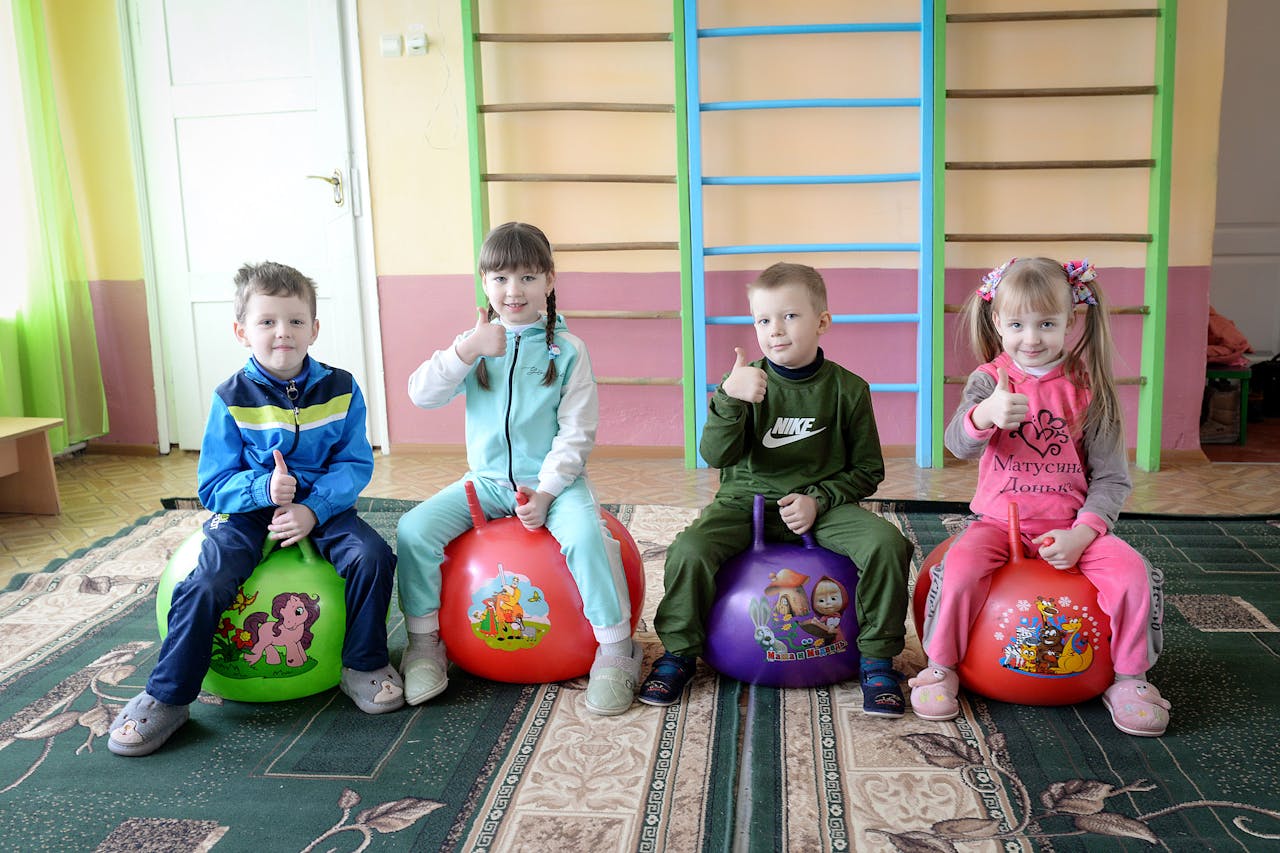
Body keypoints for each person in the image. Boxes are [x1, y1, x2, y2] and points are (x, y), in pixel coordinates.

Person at [108, 261, 403, 757]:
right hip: (247, 513)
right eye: (267, 322)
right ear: (242, 331)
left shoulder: (343, 388)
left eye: (294, 320)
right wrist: (264, 489)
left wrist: (313, 508)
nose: (282, 332)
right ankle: (168, 696)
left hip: (322, 509)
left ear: (314, 327)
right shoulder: (230, 397)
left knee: (373, 556)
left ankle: (365, 664)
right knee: (206, 581)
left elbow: (354, 464)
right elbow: (213, 484)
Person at [638, 262, 914, 716]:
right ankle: (678, 654)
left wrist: (819, 499)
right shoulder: (745, 384)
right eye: (763, 320)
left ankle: (878, 659)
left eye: (789, 316)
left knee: (887, 544)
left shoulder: (849, 390)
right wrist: (728, 397)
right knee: (689, 549)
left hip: (822, 506)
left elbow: (868, 470)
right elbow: (716, 456)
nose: (775, 330)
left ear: (822, 322)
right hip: (746, 502)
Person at [910, 257, 1169, 736]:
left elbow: (1112, 480)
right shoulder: (988, 380)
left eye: (1047, 323)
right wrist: (984, 415)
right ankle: (941, 667)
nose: (1031, 337)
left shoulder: (1090, 389)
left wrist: (1082, 535)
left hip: (1072, 530)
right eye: (1017, 324)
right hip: (994, 526)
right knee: (960, 569)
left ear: (1072, 320)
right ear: (996, 322)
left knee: (1133, 572)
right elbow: (956, 445)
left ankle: (1130, 679)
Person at [396, 222, 641, 715]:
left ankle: (617, 651)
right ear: (485, 283)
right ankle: (425, 645)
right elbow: (421, 395)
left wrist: (548, 492)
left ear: (549, 282)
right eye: (501, 278)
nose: (514, 291)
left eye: (528, 278)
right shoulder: (472, 344)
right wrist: (466, 350)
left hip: (556, 485)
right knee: (413, 529)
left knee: (589, 538)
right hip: (485, 484)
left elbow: (577, 433)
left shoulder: (569, 351)